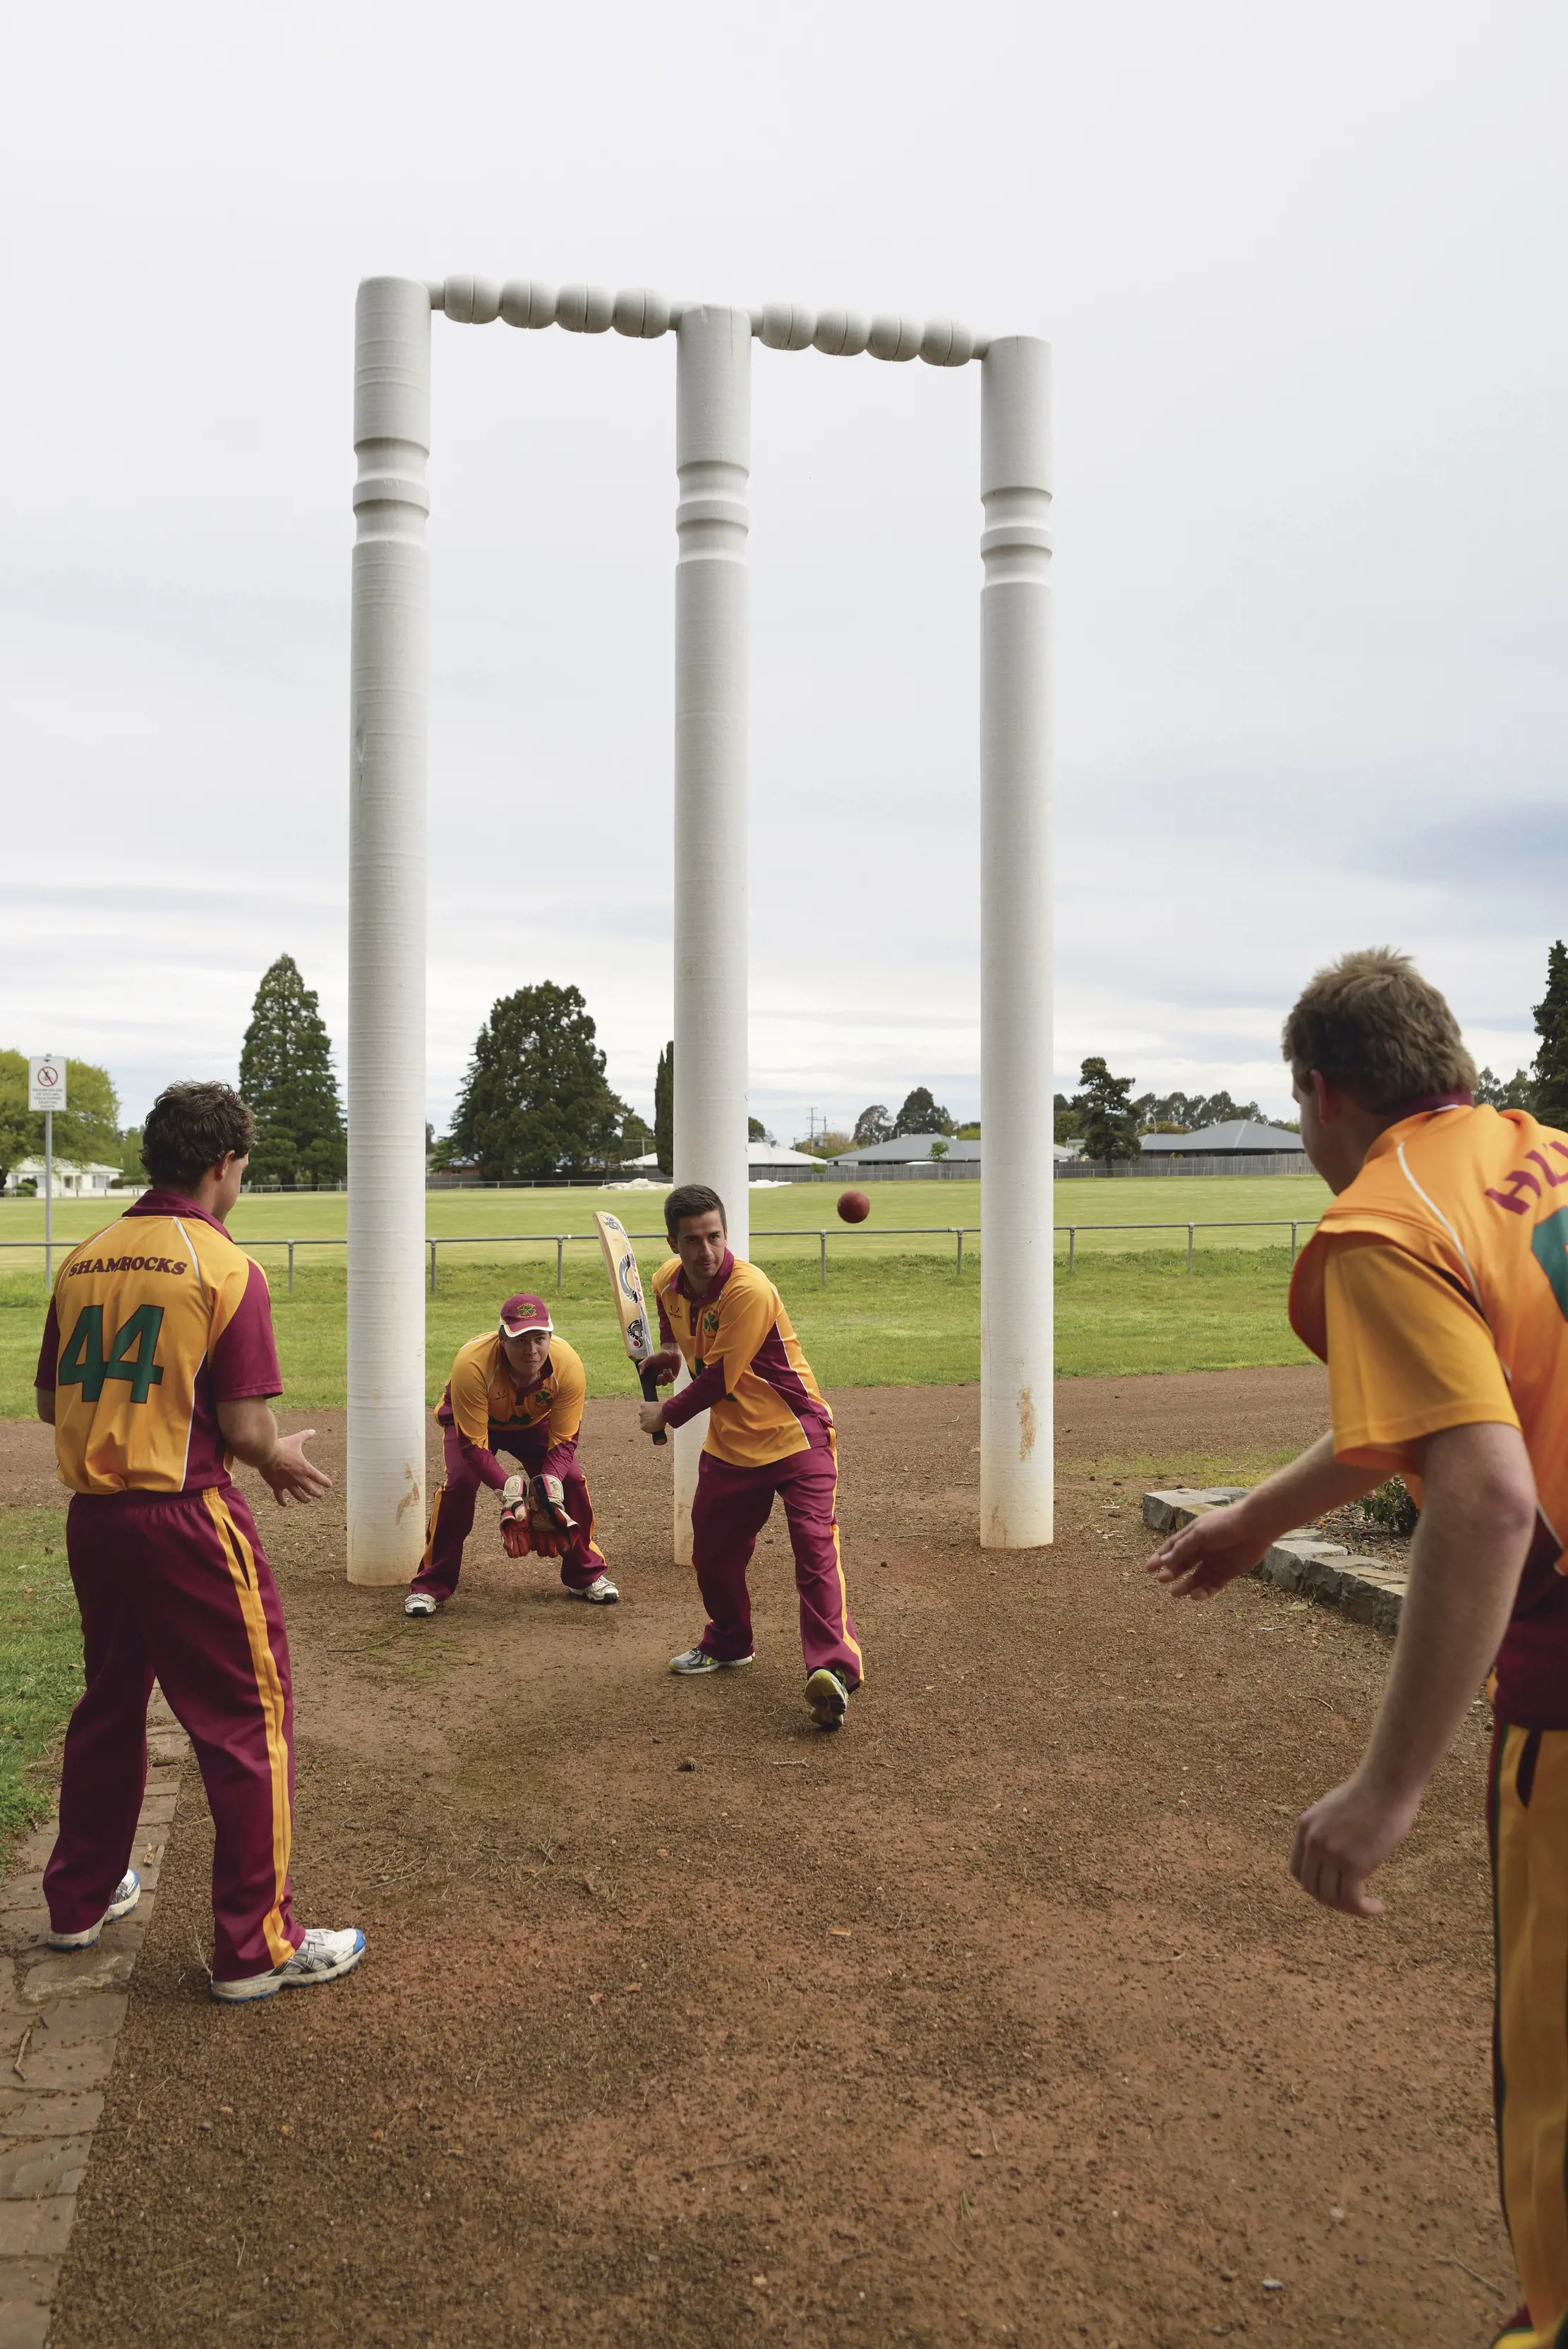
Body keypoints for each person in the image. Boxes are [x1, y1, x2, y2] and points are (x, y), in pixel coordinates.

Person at [1145, 948, 1568, 2349]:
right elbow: (1470, 1406)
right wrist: (1261, 1515)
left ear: (1321, 1093)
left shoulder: (1385, 1218)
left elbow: (1490, 1491)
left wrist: (1383, 1792)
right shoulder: (1538, 1157)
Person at [35, 1081, 363, 2005]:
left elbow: (52, 1403)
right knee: (248, 1720)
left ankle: (78, 1898)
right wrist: (274, 1457)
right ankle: (256, 1946)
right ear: (225, 1163)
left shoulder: (85, 1256)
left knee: (109, 1704)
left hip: (93, 1519)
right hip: (184, 1518)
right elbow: (247, 1429)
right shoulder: (223, 1266)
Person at [640, 1183, 863, 1730]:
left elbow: (719, 1377)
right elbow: (674, 1324)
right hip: (733, 1444)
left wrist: (664, 1414)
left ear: (725, 1234)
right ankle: (730, 1641)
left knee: (814, 1550)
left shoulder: (749, 1289)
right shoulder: (665, 1280)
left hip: (797, 1434)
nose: (706, 1250)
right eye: (692, 1240)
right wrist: (669, 1351)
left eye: (714, 1236)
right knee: (712, 1555)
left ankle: (833, 1671)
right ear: (674, 1241)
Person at [406, 1292, 617, 1617]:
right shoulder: (472, 1364)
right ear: (502, 1339)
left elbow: (564, 1440)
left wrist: (549, 1488)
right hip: (476, 1424)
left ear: (550, 1336)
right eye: (520, 1341)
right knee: (461, 1485)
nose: (531, 1351)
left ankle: (585, 1575)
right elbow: (473, 1446)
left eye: (539, 1339)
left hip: (532, 1422)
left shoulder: (568, 1364)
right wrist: (510, 1492)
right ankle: (430, 1585)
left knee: (571, 1481)